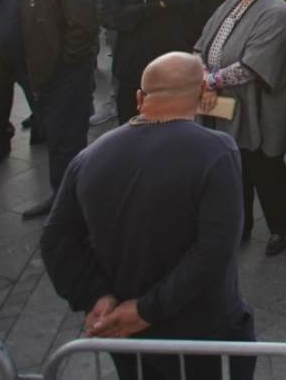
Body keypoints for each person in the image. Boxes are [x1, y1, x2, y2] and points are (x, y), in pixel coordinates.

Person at [40, 52, 255, 380]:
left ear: (139, 98)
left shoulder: (88, 157)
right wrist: (146, 310)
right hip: (204, 335)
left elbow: (56, 240)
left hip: (126, 336)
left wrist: (94, 297)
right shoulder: (217, 151)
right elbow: (215, 249)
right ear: (202, 94)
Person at [0, 0, 101, 218]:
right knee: (55, 137)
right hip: (31, 73)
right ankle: (64, 195)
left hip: (62, 77)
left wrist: (63, 66)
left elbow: (85, 24)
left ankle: (70, 207)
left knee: (66, 141)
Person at [196, 0, 286, 260]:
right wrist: (203, 78)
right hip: (221, 103)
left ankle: (281, 227)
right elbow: (201, 46)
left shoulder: (274, 11)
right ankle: (241, 226)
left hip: (257, 108)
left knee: (264, 169)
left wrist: (209, 82)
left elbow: (252, 66)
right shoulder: (230, 4)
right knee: (233, 169)